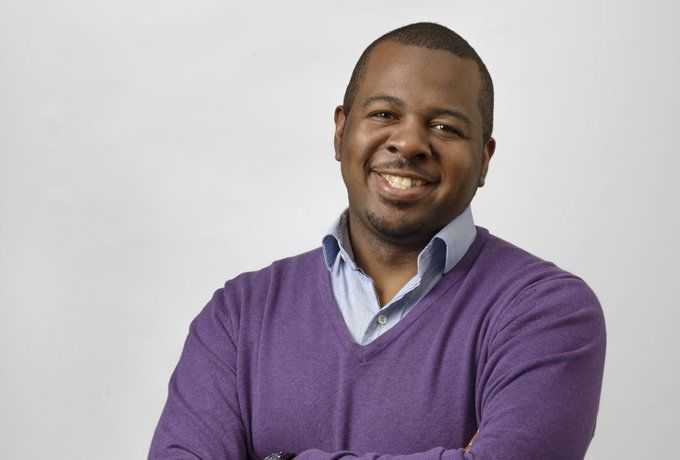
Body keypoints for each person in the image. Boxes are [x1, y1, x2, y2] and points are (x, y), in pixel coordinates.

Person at [148, 22, 606, 459]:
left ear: (484, 160)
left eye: (445, 126)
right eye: (385, 114)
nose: (408, 143)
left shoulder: (545, 311)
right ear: (340, 132)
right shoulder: (239, 314)